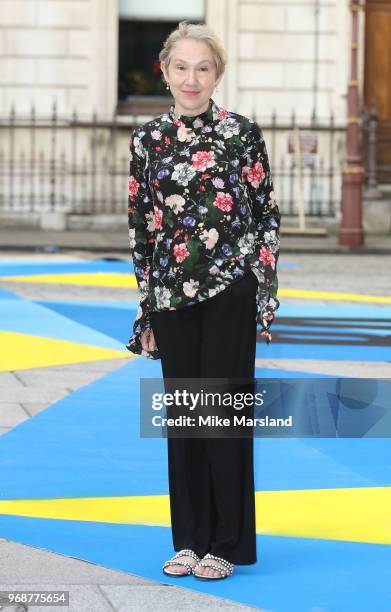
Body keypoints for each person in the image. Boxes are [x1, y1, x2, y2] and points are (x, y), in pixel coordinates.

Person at [126, 21, 281, 581]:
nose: (192, 79)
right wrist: (146, 309)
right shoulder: (146, 140)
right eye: (181, 67)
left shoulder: (242, 133)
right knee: (185, 422)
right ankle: (188, 539)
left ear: (218, 75)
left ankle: (227, 542)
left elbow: (265, 216)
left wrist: (263, 297)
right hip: (171, 297)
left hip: (229, 293)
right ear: (164, 72)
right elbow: (142, 228)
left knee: (223, 419)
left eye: (204, 68)